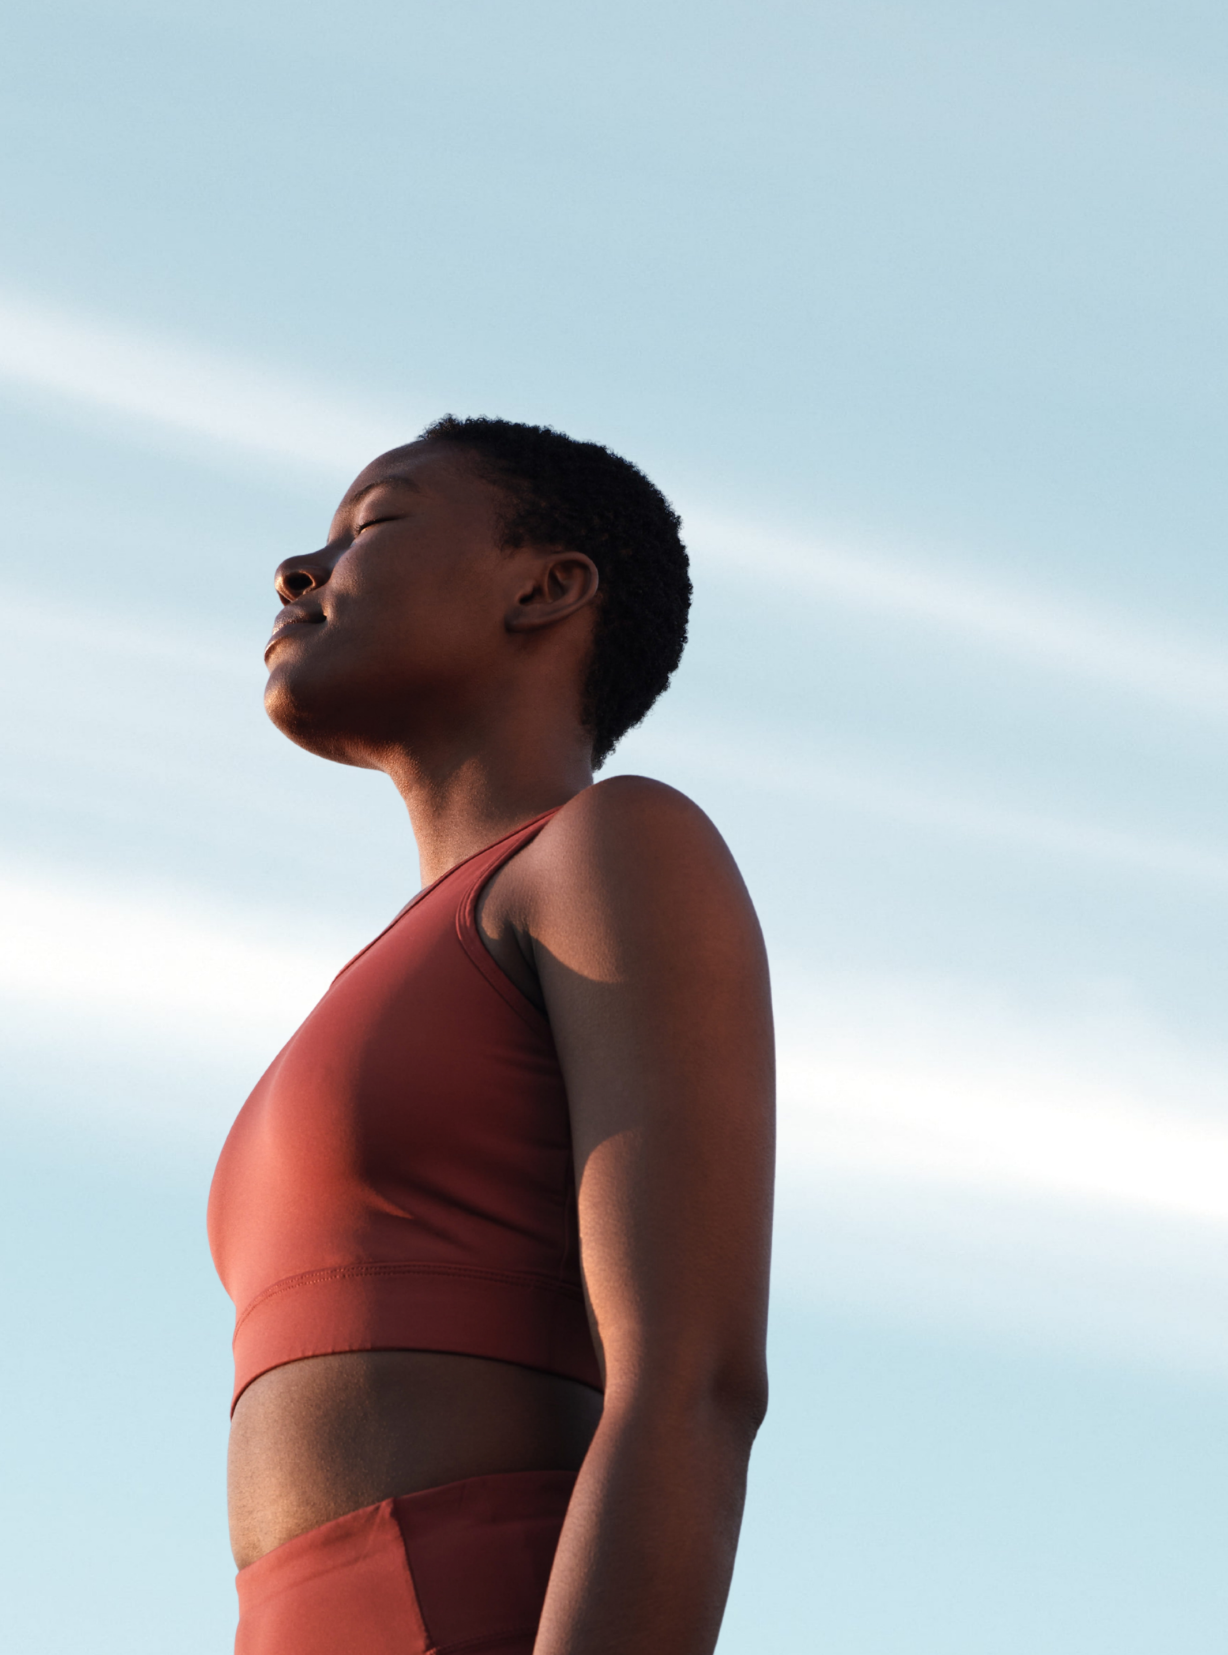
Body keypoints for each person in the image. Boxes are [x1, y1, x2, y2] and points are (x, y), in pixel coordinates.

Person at [207, 417, 775, 1655]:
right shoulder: (382, 970)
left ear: (546, 587)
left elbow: (693, 1380)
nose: (299, 570)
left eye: (374, 523)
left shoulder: (612, 848)